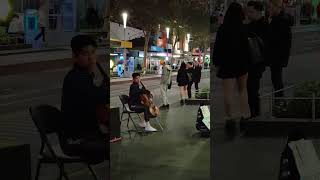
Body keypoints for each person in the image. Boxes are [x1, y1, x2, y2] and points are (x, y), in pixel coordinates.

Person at [60, 35, 108, 164]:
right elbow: (96, 98)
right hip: (77, 140)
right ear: (75, 57)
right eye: (85, 54)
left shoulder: (85, 77)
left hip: (88, 135)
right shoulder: (75, 79)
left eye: (93, 53)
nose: (91, 58)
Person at [213, 2, 251, 132]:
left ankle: (230, 119)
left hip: (227, 64)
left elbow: (217, 48)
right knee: (242, 90)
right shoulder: (244, 28)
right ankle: (244, 117)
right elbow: (247, 48)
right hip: (241, 63)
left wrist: (217, 62)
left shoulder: (223, 29)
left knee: (228, 93)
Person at [265, 0, 293, 97]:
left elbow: (275, 38)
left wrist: (268, 26)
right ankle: (279, 102)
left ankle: (280, 103)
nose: (268, 9)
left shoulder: (279, 20)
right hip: (278, 55)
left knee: (276, 79)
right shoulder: (279, 18)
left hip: (277, 55)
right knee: (276, 78)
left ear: (276, 7)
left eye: (270, 7)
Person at [246, 1, 268, 118]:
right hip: (251, 63)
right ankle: (253, 112)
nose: (248, 14)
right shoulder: (250, 25)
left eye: (251, 12)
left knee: (253, 88)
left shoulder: (263, 25)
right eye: (247, 11)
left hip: (256, 63)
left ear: (259, 11)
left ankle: (254, 113)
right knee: (250, 89)